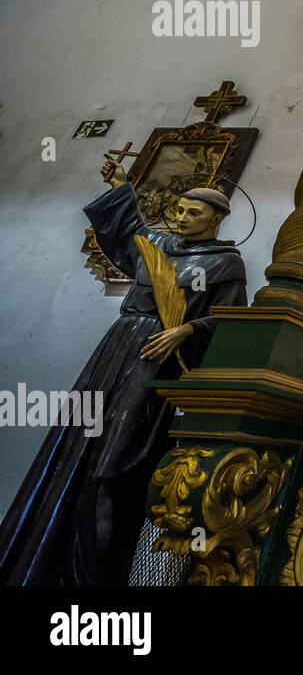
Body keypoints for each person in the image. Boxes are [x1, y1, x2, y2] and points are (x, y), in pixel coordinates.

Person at [0, 161, 247, 585]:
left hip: (159, 358)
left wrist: (188, 328)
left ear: (217, 218)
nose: (184, 218)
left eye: (195, 212)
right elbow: (126, 230)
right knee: (76, 445)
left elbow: (231, 319)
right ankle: (38, 563)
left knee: (115, 460)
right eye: (181, 210)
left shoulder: (225, 264)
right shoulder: (160, 245)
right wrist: (120, 187)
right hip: (117, 346)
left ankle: (90, 573)